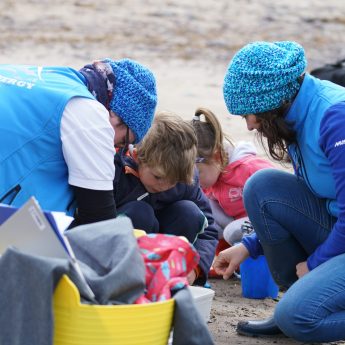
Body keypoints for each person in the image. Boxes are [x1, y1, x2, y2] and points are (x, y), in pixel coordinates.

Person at [213, 40, 345, 342]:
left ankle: (298, 310)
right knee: (262, 187)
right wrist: (249, 246)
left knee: (298, 320)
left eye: (252, 115)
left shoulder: (336, 118)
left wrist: (314, 265)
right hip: (338, 229)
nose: (248, 126)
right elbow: (312, 200)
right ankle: (299, 301)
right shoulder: (296, 113)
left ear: (275, 102)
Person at [0, 58, 157, 226]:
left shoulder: (53, 76)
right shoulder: (90, 115)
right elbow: (99, 221)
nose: (115, 148)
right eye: (123, 142)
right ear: (115, 114)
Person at [113, 111, 218, 285]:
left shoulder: (186, 179)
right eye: (158, 177)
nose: (165, 186)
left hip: (166, 248)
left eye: (174, 181)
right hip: (121, 255)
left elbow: (208, 231)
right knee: (140, 212)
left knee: (189, 212)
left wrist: (196, 269)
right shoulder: (116, 171)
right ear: (138, 157)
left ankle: (173, 273)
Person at [191, 107, 273, 248]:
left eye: (197, 174)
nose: (192, 181)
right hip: (236, 225)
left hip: (265, 223)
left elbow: (281, 192)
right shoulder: (211, 178)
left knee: (232, 231)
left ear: (216, 157)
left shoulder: (249, 167)